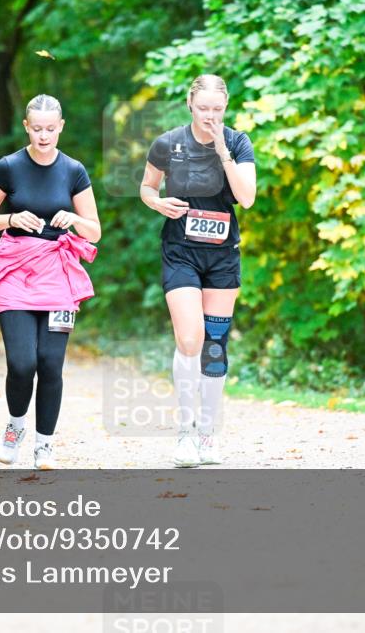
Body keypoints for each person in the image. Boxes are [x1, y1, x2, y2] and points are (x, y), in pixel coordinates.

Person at [0, 94, 102, 470]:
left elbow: (94, 231)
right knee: (22, 363)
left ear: (61, 127)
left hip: (58, 275)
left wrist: (73, 219)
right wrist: (11, 219)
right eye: (37, 129)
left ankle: (45, 445)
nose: (44, 136)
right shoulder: (8, 167)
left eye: (50, 129)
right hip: (15, 271)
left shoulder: (73, 170)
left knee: (50, 364)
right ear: (26, 127)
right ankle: (15, 427)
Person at [139, 74, 257, 467]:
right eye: (203, 108)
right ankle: (185, 432)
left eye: (217, 109)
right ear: (190, 103)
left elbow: (247, 198)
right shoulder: (168, 143)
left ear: (226, 107)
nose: (210, 115)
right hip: (181, 252)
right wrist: (158, 203)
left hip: (222, 256)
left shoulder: (238, 143)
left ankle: (207, 433)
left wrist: (222, 150)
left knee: (215, 346)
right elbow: (147, 187)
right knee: (190, 339)